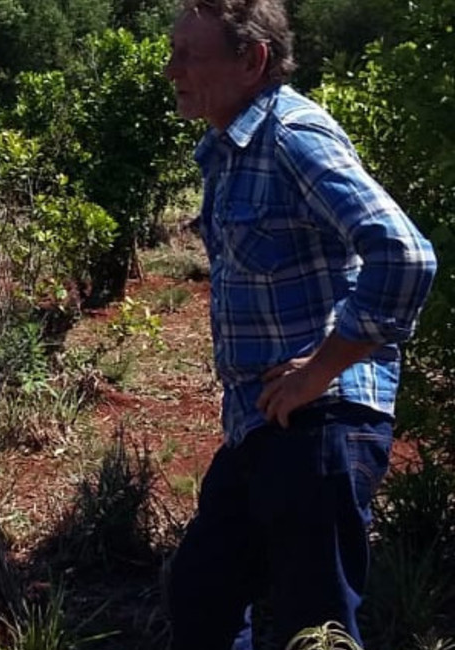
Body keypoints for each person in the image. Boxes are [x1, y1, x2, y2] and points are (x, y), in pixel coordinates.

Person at [162, 0, 436, 648]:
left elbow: (405, 255)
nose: (171, 69)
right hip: (267, 425)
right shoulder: (227, 150)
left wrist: (319, 373)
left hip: (322, 428)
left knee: (313, 628)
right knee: (201, 596)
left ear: (251, 60)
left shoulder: (291, 136)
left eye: (187, 55)